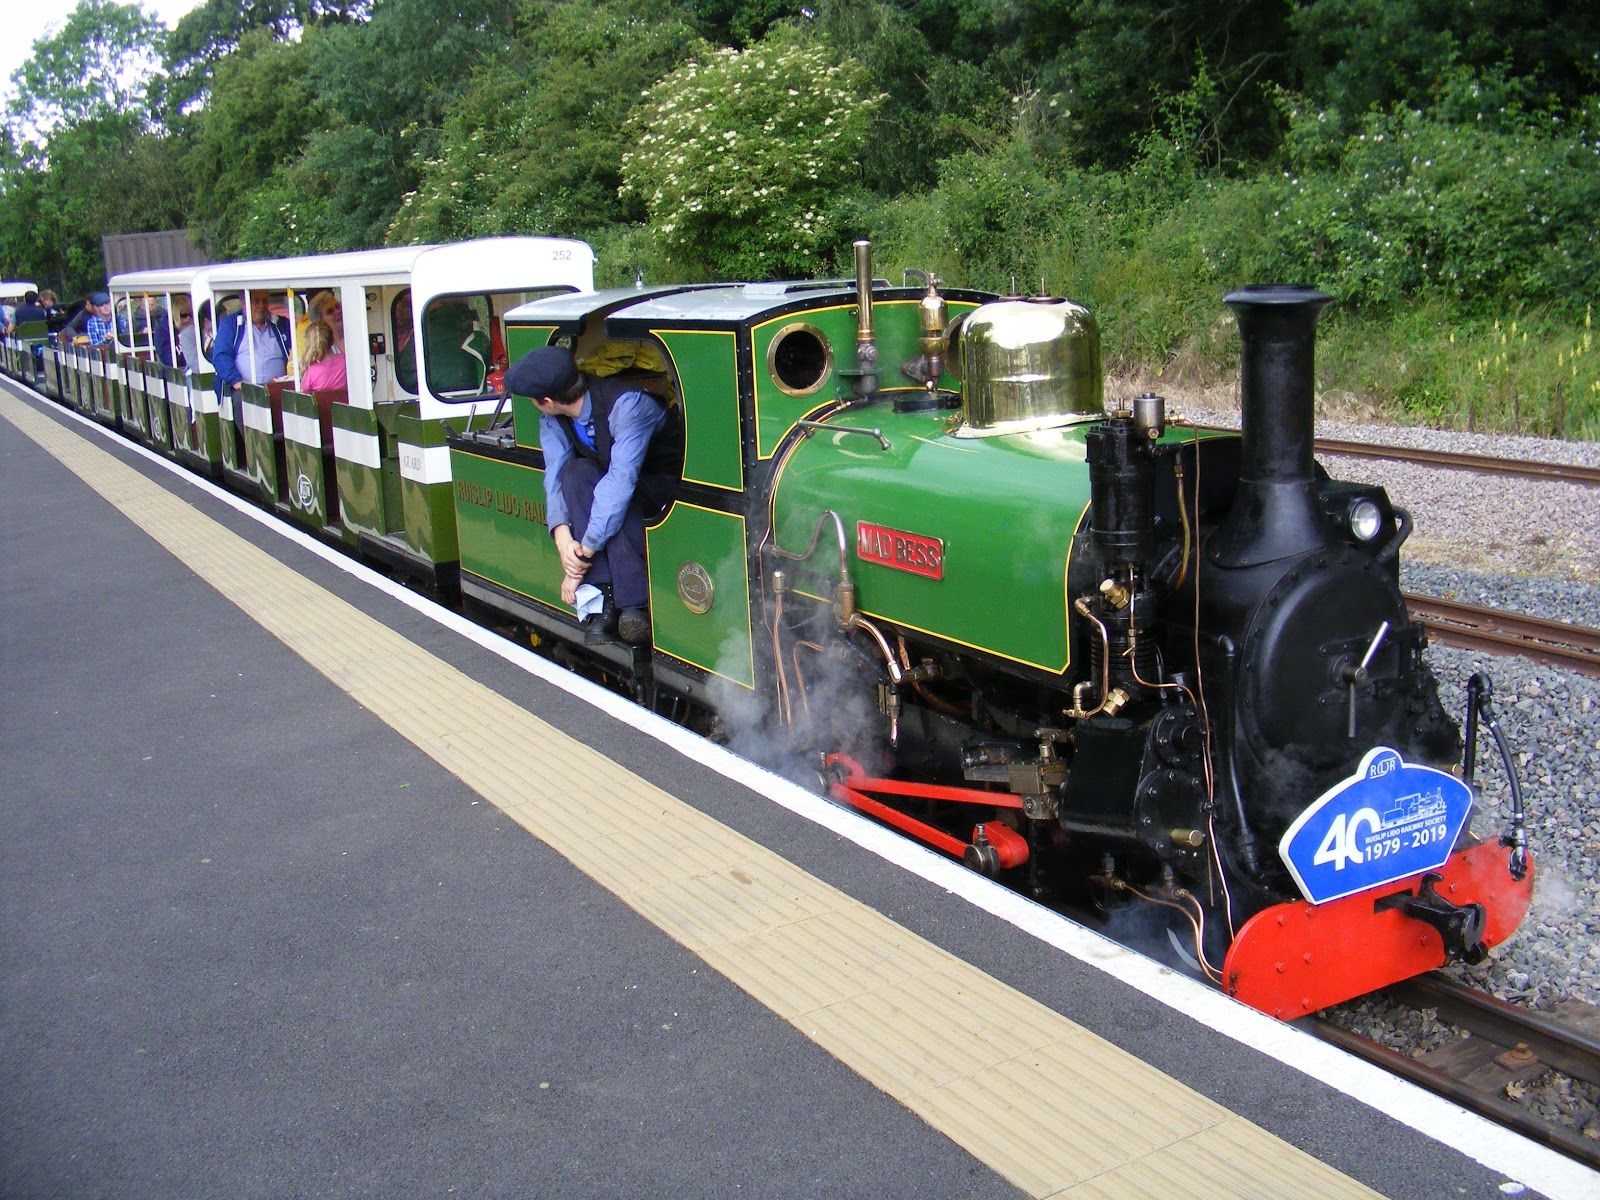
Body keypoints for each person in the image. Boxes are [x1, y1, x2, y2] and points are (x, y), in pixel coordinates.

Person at [506, 345, 683, 645]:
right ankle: (605, 598)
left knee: (616, 499)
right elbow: (555, 476)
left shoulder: (627, 406)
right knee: (575, 474)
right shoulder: (553, 419)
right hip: (616, 493)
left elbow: (619, 483)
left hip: (662, 488)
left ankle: (634, 603)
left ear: (547, 401)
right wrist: (563, 539)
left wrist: (581, 558)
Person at [211, 291, 290, 401]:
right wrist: (236, 381)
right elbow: (221, 356)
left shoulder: (281, 324)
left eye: (264, 301)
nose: (261, 306)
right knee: (239, 399)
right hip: (245, 390)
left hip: (279, 387)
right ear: (243, 303)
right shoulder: (230, 324)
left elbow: (294, 352)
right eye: (256, 301)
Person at [298, 320, 347, 391]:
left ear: (308, 344)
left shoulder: (311, 372)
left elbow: (303, 395)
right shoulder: (345, 361)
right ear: (332, 340)